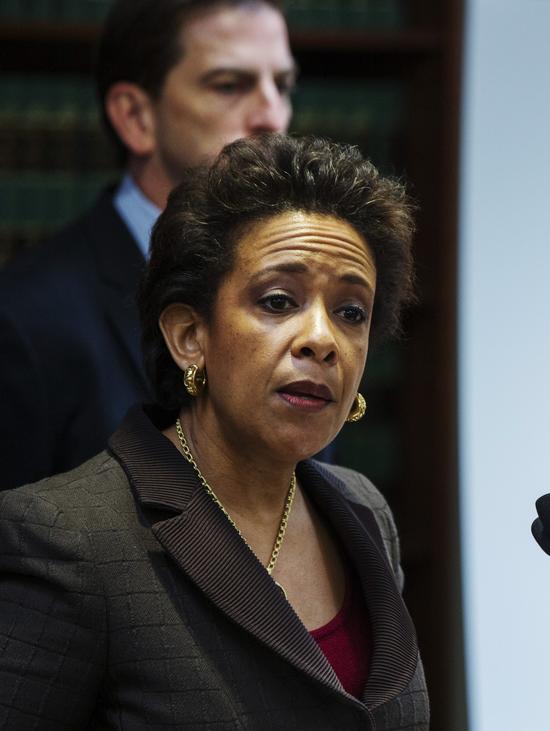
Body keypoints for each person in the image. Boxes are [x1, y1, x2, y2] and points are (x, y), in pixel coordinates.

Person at [0, 134, 429, 726]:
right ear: (189, 336)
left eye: (351, 312)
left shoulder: (365, 513)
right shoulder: (64, 538)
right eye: (278, 301)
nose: (322, 340)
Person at [0, 0, 295, 489]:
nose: (272, 116)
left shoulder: (313, 299)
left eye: (281, 86)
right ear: (135, 116)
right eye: (230, 85)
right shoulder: (23, 319)